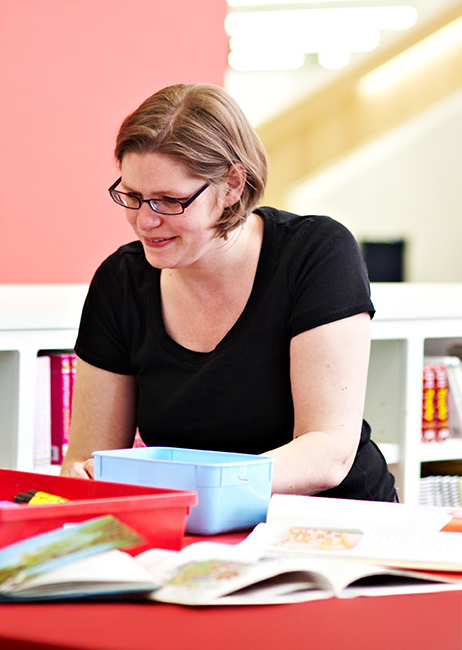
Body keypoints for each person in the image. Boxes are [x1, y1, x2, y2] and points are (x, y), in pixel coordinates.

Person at [60, 83, 396, 501]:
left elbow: (327, 453)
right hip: (196, 524)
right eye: (132, 196)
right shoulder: (120, 280)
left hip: (328, 521)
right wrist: (82, 477)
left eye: (169, 200)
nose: (145, 221)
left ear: (233, 185)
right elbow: (92, 456)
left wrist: (197, 487)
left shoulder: (314, 252)